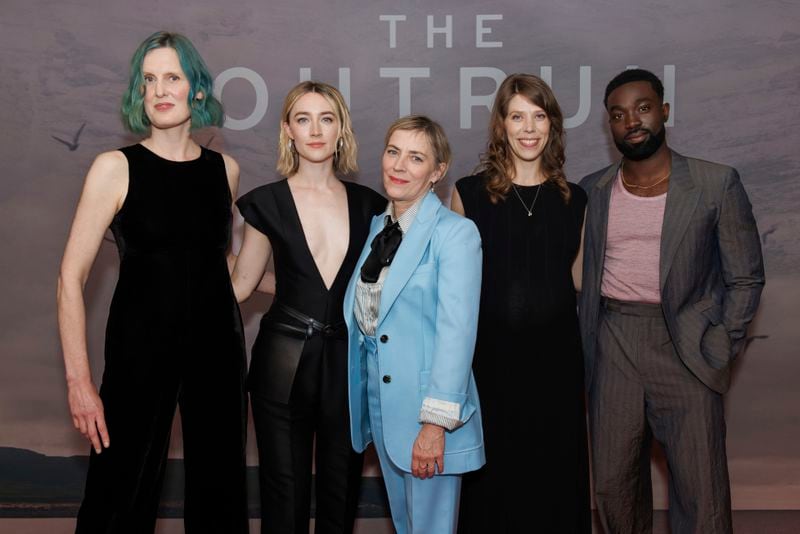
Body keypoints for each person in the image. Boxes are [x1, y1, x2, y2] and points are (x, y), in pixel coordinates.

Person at [57, 31, 248, 533]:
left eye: (173, 77)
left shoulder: (225, 171)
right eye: (149, 80)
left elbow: (221, 269)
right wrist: (79, 383)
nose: (160, 89)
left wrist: (298, 282)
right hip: (138, 354)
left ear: (197, 90)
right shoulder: (114, 168)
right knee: (116, 499)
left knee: (220, 501)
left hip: (218, 355)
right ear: (139, 94)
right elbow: (69, 279)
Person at [579, 69, 765, 533]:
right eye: (618, 115)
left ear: (663, 111)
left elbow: (745, 277)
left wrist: (719, 345)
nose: (632, 121)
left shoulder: (715, 183)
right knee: (613, 487)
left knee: (701, 494)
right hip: (614, 344)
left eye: (642, 108)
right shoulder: (592, 190)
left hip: (687, 344)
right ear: (610, 126)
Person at [231, 81, 385, 534]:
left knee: (342, 494)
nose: (315, 130)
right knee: (284, 494)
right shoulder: (265, 202)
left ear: (341, 130)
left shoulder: (372, 207)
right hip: (281, 362)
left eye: (326, 118)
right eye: (303, 119)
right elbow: (242, 284)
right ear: (288, 131)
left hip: (348, 366)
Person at [451, 73, 591, 533]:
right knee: (492, 484)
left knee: (554, 480)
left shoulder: (576, 200)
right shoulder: (468, 195)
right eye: (517, 116)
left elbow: (577, 280)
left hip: (556, 365)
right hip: (489, 365)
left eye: (538, 115)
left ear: (552, 125)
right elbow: (453, 290)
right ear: (501, 125)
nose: (528, 128)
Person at [344, 115, 485, 534]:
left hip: (429, 415)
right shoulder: (377, 228)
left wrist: (434, 425)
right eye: (393, 152)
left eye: (416, 157)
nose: (399, 166)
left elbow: (457, 334)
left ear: (437, 172)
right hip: (384, 410)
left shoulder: (455, 234)